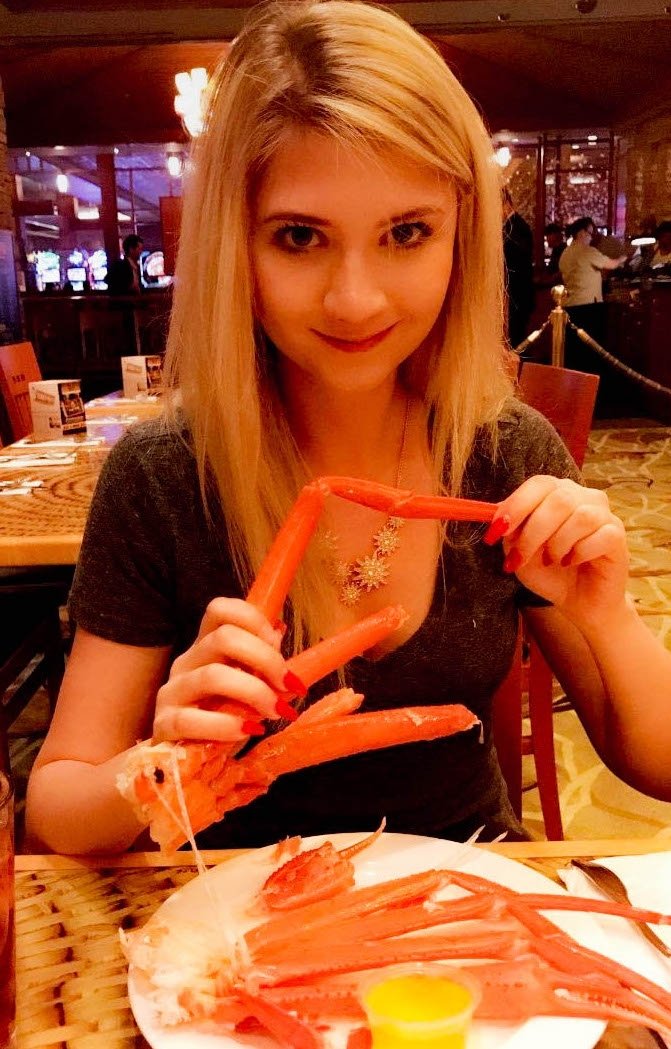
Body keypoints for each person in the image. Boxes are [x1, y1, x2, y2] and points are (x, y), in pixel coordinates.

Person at [26, 0, 671, 855]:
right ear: (234, 246)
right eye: (300, 237)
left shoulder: (503, 453)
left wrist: (608, 615)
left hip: (470, 887)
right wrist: (153, 765)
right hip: (226, 905)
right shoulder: (164, 477)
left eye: (406, 233)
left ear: (460, 236)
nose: (354, 299)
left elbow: (656, 764)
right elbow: (58, 803)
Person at [559, 217, 628, 411]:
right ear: (582, 233)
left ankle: (574, 396)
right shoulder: (587, 251)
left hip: (571, 306)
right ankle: (592, 399)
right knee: (591, 355)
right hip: (589, 307)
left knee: (575, 356)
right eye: (591, 233)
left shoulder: (565, 253)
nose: (592, 237)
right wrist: (625, 256)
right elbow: (611, 264)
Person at [502, 187, 535, 349]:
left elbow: (514, 263)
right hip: (514, 295)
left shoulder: (518, 228)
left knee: (516, 340)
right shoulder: (510, 226)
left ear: (505, 203)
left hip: (518, 295)